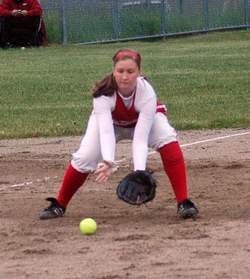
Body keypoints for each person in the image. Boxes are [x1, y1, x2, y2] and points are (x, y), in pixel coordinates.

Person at [39, 48, 199, 220]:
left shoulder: (147, 93)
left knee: (168, 141)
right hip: (111, 124)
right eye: (120, 71)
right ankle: (60, 204)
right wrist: (108, 160)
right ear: (113, 71)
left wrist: (139, 172)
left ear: (139, 72)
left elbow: (140, 138)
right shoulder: (103, 94)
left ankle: (184, 202)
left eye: (130, 71)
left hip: (143, 122)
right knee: (86, 156)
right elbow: (106, 131)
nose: (125, 76)